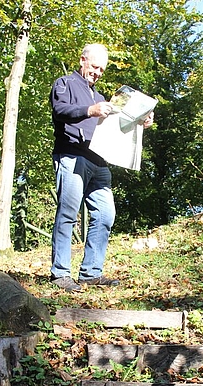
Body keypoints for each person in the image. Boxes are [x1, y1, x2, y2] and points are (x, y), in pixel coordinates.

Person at [49, 43, 154, 291]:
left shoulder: (101, 97)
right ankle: (60, 274)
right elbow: (60, 111)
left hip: (99, 162)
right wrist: (90, 110)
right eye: (95, 66)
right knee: (68, 214)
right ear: (83, 60)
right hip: (72, 156)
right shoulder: (64, 83)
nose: (97, 72)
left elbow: (119, 126)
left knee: (106, 214)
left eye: (101, 70)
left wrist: (141, 121)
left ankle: (90, 273)